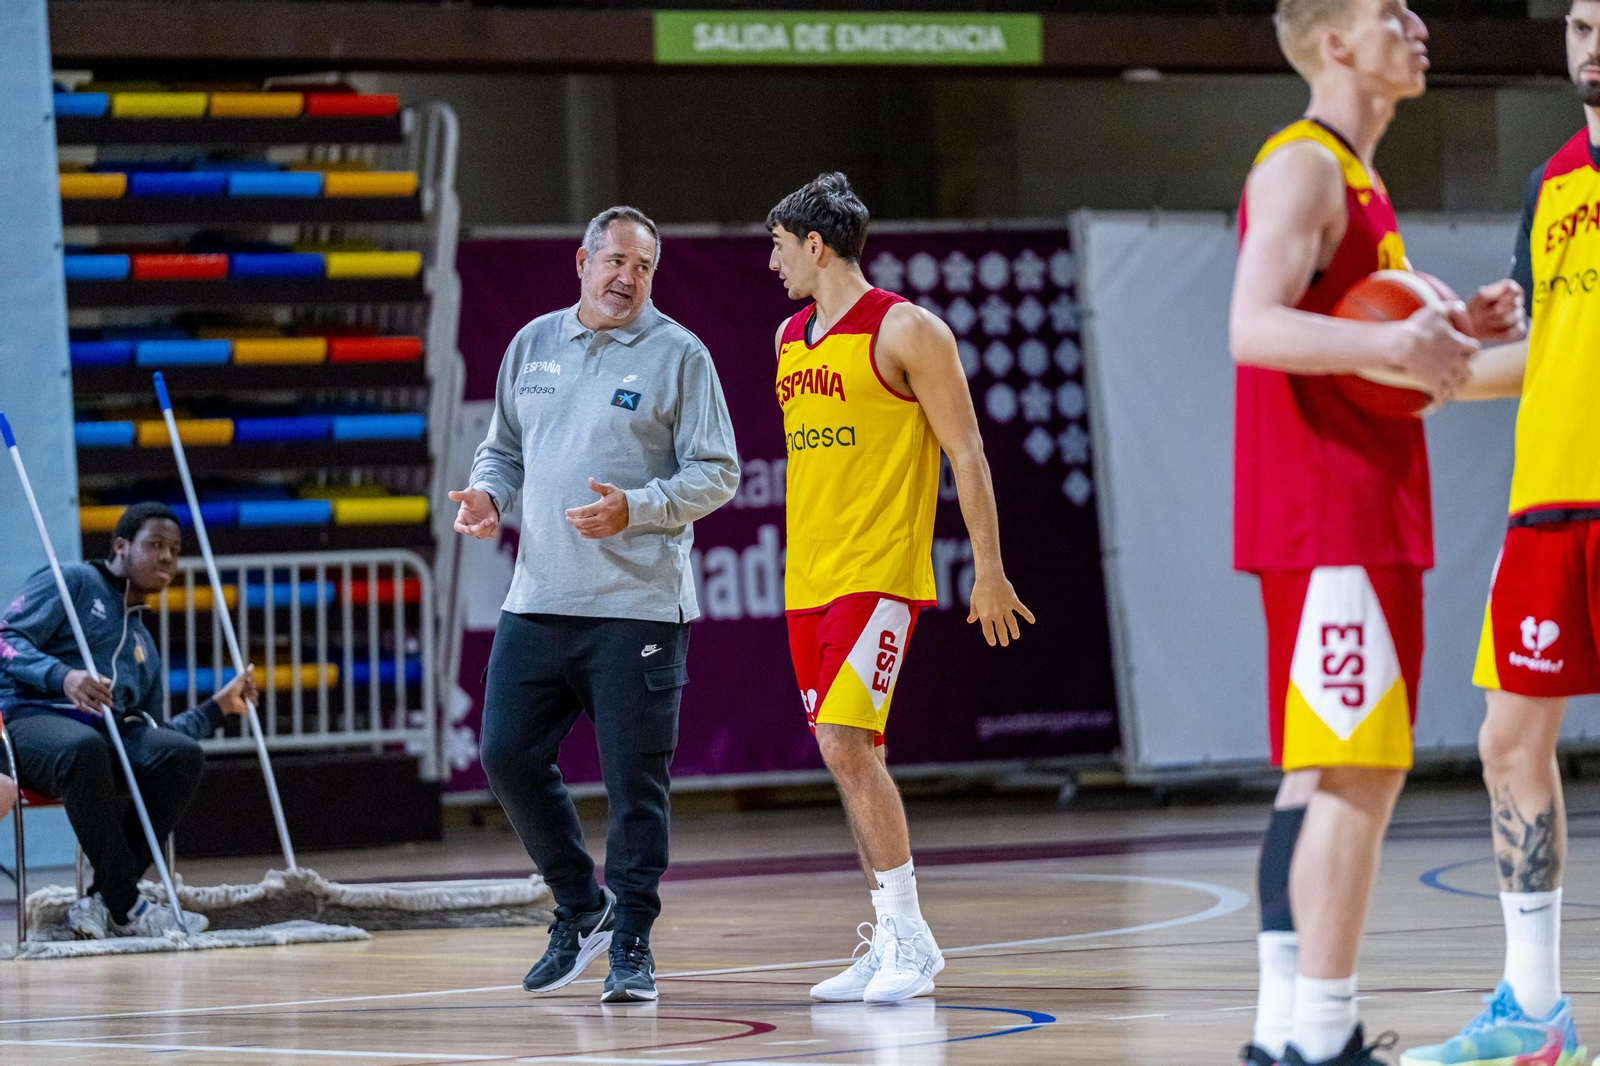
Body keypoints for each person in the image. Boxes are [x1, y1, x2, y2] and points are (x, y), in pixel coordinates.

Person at [1228, 0, 1525, 1061]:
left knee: (1319, 776)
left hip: (1353, 512)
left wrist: (1447, 336)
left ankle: (1284, 1034)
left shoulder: (1359, 182)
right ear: (1337, 43)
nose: (1417, 22)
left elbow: (1367, 360)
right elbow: (1252, 325)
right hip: (1330, 514)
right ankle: (1322, 1038)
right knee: (1358, 773)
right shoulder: (1303, 166)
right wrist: (1402, 340)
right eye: (1390, 11)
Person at [452, 206, 739, 1004]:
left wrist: (636, 508)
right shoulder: (532, 344)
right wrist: (488, 494)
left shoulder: (680, 354)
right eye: (615, 261)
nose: (627, 278)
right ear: (582, 262)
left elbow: (718, 471)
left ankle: (633, 943)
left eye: (643, 267)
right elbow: (504, 446)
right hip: (538, 597)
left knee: (632, 786)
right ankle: (582, 907)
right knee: (506, 755)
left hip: (637, 606)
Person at [766, 172, 1034, 1005]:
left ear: (815, 246)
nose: (773, 264)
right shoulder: (788, 338)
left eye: (779, 247)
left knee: (844, 744)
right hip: (807, 579)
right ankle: (887, 937)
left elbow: (967, 453)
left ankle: (912, 939)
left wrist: (989, 568)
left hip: (878, 572)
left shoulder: (908, 329)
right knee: (855, 758)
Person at [1401, 4, 1600, 1064]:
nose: (1591, 43)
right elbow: (1543, 348)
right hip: (1549, 499)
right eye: (1578, 24)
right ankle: (1533, 1009)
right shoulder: (1551, 182)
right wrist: (1421, 377)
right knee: (1507, 741)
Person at [0, 502, 257, 938]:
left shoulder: (144, 645)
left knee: (180, 756)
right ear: (121, 546)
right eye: (155, 545)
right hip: (31, 720)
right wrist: (63, 677)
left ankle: (105, 901)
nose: (167, 558)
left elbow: (156, 735)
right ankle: (127, 904)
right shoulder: (74, 581)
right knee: (85, 747)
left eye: (174, 550)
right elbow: (6, 639)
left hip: (103, 740)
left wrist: (218, 708)